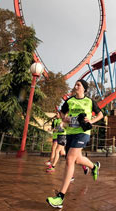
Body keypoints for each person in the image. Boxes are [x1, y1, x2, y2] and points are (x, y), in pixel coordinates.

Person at [46, 79, 104, 209]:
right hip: (70, 132)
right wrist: (64, 118)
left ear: (84, 88)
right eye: (75, 84)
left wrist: (92, 121)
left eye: (78, 85)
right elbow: (61, 113)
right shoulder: (70, 101)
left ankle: (60, 197)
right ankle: (94, 167)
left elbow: (100, 114)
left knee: (70, 159)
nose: (75, 86)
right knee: (77, 160)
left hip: (83, 133)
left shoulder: (89, 101)